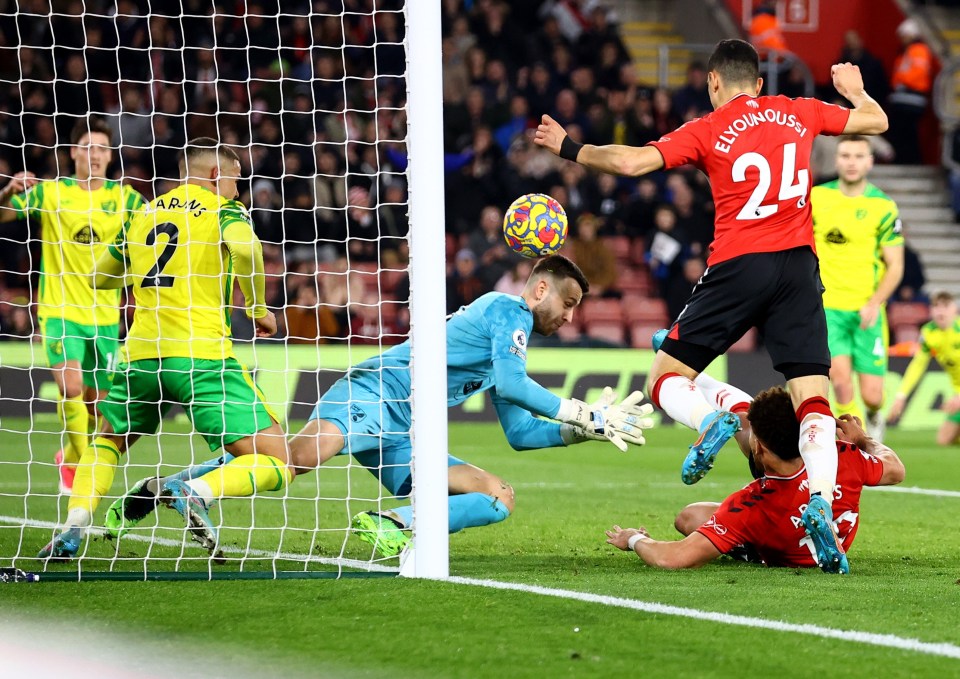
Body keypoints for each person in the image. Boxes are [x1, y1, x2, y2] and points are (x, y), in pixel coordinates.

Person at [535, 38, 888, 574]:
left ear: (714, 82)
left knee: (665, 375)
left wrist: (569, 148)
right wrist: (855, 90)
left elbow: (631, 163)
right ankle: (819, 497)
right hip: (797, 266)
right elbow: (876, 122)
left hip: (738, 264)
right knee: (813, 398)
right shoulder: (798, 112)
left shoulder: (706, 127)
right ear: (761, 84)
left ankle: (712, 420)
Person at [106, 255, 655, 557]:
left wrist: (583, 433)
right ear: (539, 290)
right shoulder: (505, 311)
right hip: (375, 392)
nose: (571, 316)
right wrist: (586, 411)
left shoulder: (504, 341)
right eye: (569, 302)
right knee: (295, 460)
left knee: (498, 495)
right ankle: (176, 487)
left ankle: (396, 521)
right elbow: (514, 389)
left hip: (407, 432)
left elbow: (517, 431)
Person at [39, 138, 292, 561]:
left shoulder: (143, 213)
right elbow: (247, 247)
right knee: (278, 460)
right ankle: (196, 491)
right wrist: (258, 307)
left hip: (141, 356)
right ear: (215, 175)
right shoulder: (224, 210)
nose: (237, 189)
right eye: (235, 179)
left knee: (107, 441)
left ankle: (75, 521)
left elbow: (101, 277)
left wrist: (147, 274)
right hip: (202, 357)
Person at [0, 117, 145, 495]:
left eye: (101, 148)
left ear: (110, 156)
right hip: (60, 310)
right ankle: (84, 475)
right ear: (73, 153)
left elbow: (155, 229)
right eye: (87, 147)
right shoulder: (53, 193)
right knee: (71, 387)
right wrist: (7, 190)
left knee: (99, 407)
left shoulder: (126, 199)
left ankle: (69, 456)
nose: (94, 154)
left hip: (105, 318)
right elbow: (3, 214)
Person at [606, 387, 905, 569]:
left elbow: (672, 558)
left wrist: (634, 539)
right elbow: (895, 468)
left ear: (759, 446)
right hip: (830, 528)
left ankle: (706, 403)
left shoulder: (751, 503)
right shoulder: (842, 454)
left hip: (782, 548)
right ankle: (725, 411)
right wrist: (863, 440)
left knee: (688, 519)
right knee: (692, 515)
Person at [812, 135, 904, 443]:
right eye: (846, 155)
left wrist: (874, 303)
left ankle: (874, 415)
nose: (852, 162)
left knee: (873, 395)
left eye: (858, 156)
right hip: (828, 308)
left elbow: (896, 265)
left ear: (870, 161)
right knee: (839, 382)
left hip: (867, 310)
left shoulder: (883, 207)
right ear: (837, 160)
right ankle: (857, 443)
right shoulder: (816, 199)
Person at [888, 291, 960, 445]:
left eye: (945, 306)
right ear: (930, 310)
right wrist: (901, 396)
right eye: (936, 307)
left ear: (954, 309)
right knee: (943, 440)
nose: (940, 311)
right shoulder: (929, 332)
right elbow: (917, 365)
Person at [887, 19, 934, 165]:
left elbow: (917, 73)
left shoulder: (919, 50)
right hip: (903, 98)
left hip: (912, 99)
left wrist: (901, 80)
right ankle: (903, 159)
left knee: (908, 133)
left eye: (904, 35)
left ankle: (910, 161)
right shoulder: (907, 52)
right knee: (902, 133)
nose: (902, 39)